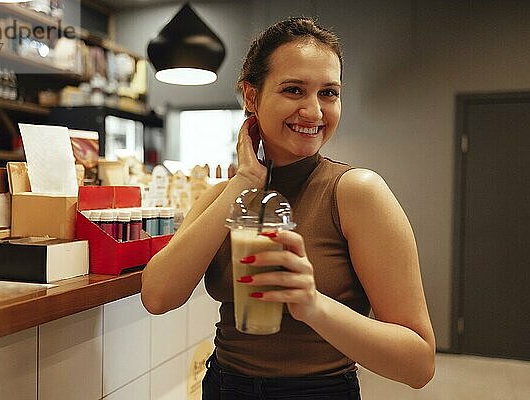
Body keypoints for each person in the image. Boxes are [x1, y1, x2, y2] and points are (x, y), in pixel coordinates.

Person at [141, 16, 435, 399]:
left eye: (328, 93)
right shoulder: (222, 195)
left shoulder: (356, 193)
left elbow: (419, 364)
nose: (314, 112)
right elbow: (158, 297)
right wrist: (246, 182)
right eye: (294, 90)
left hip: (319, 391)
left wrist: (311, 304)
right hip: (224, 385)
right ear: (251, 96)